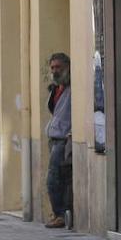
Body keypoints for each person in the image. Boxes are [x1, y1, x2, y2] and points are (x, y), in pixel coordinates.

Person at [44, 52, 72, 229]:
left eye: (58, 67)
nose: (55, 71)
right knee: (57, 178)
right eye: (52, 67)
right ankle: (59, 214)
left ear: (67, 67)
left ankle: (60, 214)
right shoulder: (57, 88)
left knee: (53, 179)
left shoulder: (71, 88)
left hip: (63, 139)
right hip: (54, 138)